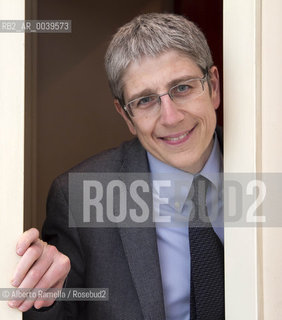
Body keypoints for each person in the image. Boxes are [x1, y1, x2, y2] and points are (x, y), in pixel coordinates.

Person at [9, 13, 224, 319]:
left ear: (213, 87)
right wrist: (47, 298)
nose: (171, 117)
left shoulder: (267, 169)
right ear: (126, 117)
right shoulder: (78, 197)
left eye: (182, 88)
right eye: (146, 100)